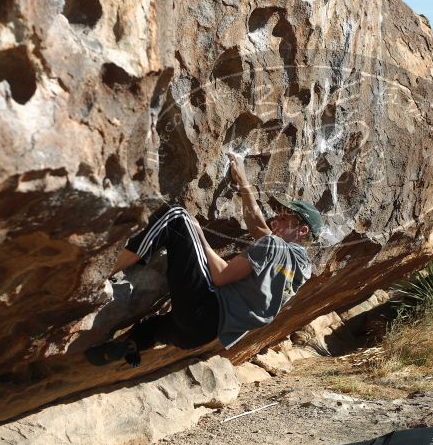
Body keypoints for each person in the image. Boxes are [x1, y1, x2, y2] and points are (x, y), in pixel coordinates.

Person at [86, 153, 323, 367]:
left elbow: (221, 277)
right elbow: (258, 224)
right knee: (153, 327)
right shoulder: (302, 267)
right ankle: (120, 348)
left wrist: (199, 236)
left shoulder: (273, 244)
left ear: (301, 230)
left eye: (285, 217)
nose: (276, 219)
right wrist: (242, 182)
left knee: (177, 217)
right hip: (202, 334)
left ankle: (102, 273)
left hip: (205, 309)